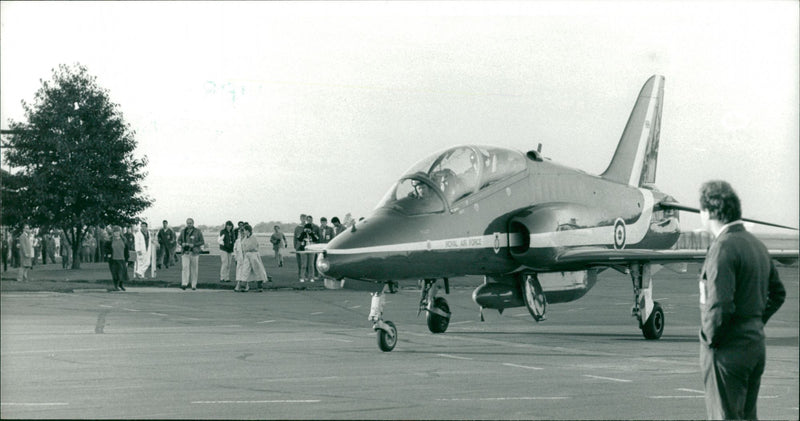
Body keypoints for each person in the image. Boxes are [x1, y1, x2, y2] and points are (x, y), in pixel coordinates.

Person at [697, 180, 786, 420]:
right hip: (754, 345)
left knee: (724, 415)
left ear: (710, 211)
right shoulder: (757, 245)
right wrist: (754, 322)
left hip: (728, 349)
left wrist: (709, 339)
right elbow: (778, 293)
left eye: (701, 210)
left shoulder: (723, 247)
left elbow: (720, 304)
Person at [235, 224, 269, 292]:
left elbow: (251, 246)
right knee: (245, 269)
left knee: (257, 269)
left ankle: (260, 286)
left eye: (244, 230)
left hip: (253, 255)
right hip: (247, 255)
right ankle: (243, 285)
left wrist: (246, 249)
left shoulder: (253, 237)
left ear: (247, 230)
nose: (243, 232)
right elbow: (244, 246)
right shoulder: (245, 238)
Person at [179, 218, 205, 290]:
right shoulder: (183, 231)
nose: (189, 224)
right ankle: (184, 283)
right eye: (187, 223)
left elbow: (202, 242)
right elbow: (179, 240)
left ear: (193, 223)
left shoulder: (198, 231)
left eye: (190, 223)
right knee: (185, 268)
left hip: (194, 252)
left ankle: (194, 285)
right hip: (185, 252)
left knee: (194, 269)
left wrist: (193, 245)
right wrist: (182, 243)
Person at [104, 226, 130, 291]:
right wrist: (108, 254)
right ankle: (116, 286)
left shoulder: (124, 240)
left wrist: (127, 260)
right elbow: (105, 248)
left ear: (120, 232)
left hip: (122, 259)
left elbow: (126, 251)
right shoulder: (110, 241)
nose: (116, 233)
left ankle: (121, 285)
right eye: (115, 232)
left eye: (118, 232)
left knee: (122, 273)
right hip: (113, 260)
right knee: (115, 273)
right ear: (113, 233)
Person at [293, 214, 306, 281]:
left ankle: (302, 276)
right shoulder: (297, 228)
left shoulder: (307, 227)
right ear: (300, 219)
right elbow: (295, 237)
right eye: (302, 218)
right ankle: (299, 275)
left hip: (304, 247)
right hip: (298, 247)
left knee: (304, 263)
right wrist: (295, 246)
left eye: (304, 218)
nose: (303, 219)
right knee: (299, 263)